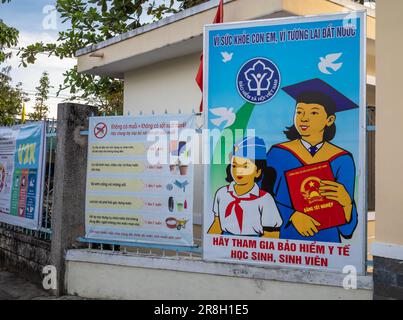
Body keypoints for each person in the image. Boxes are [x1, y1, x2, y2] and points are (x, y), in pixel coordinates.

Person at [266, 78, 358, 243]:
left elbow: (347, 230)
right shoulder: (278, 153)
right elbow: (261, 197)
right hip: (287, 240)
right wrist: (292, 215)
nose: (304, 118)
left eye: (314, 112)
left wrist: (346, 203)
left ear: (329, 120)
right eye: (299, 112)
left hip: (327, 245)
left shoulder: (342, 159)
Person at [208, 136, 282, 237]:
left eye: (245, 166)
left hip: (253, 247)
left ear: (258, 171)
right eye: (234, 165)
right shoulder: (221, 193)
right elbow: (217, 224)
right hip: (224, 245)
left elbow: (272, 235)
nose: (238, 171)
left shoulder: (265, 199)